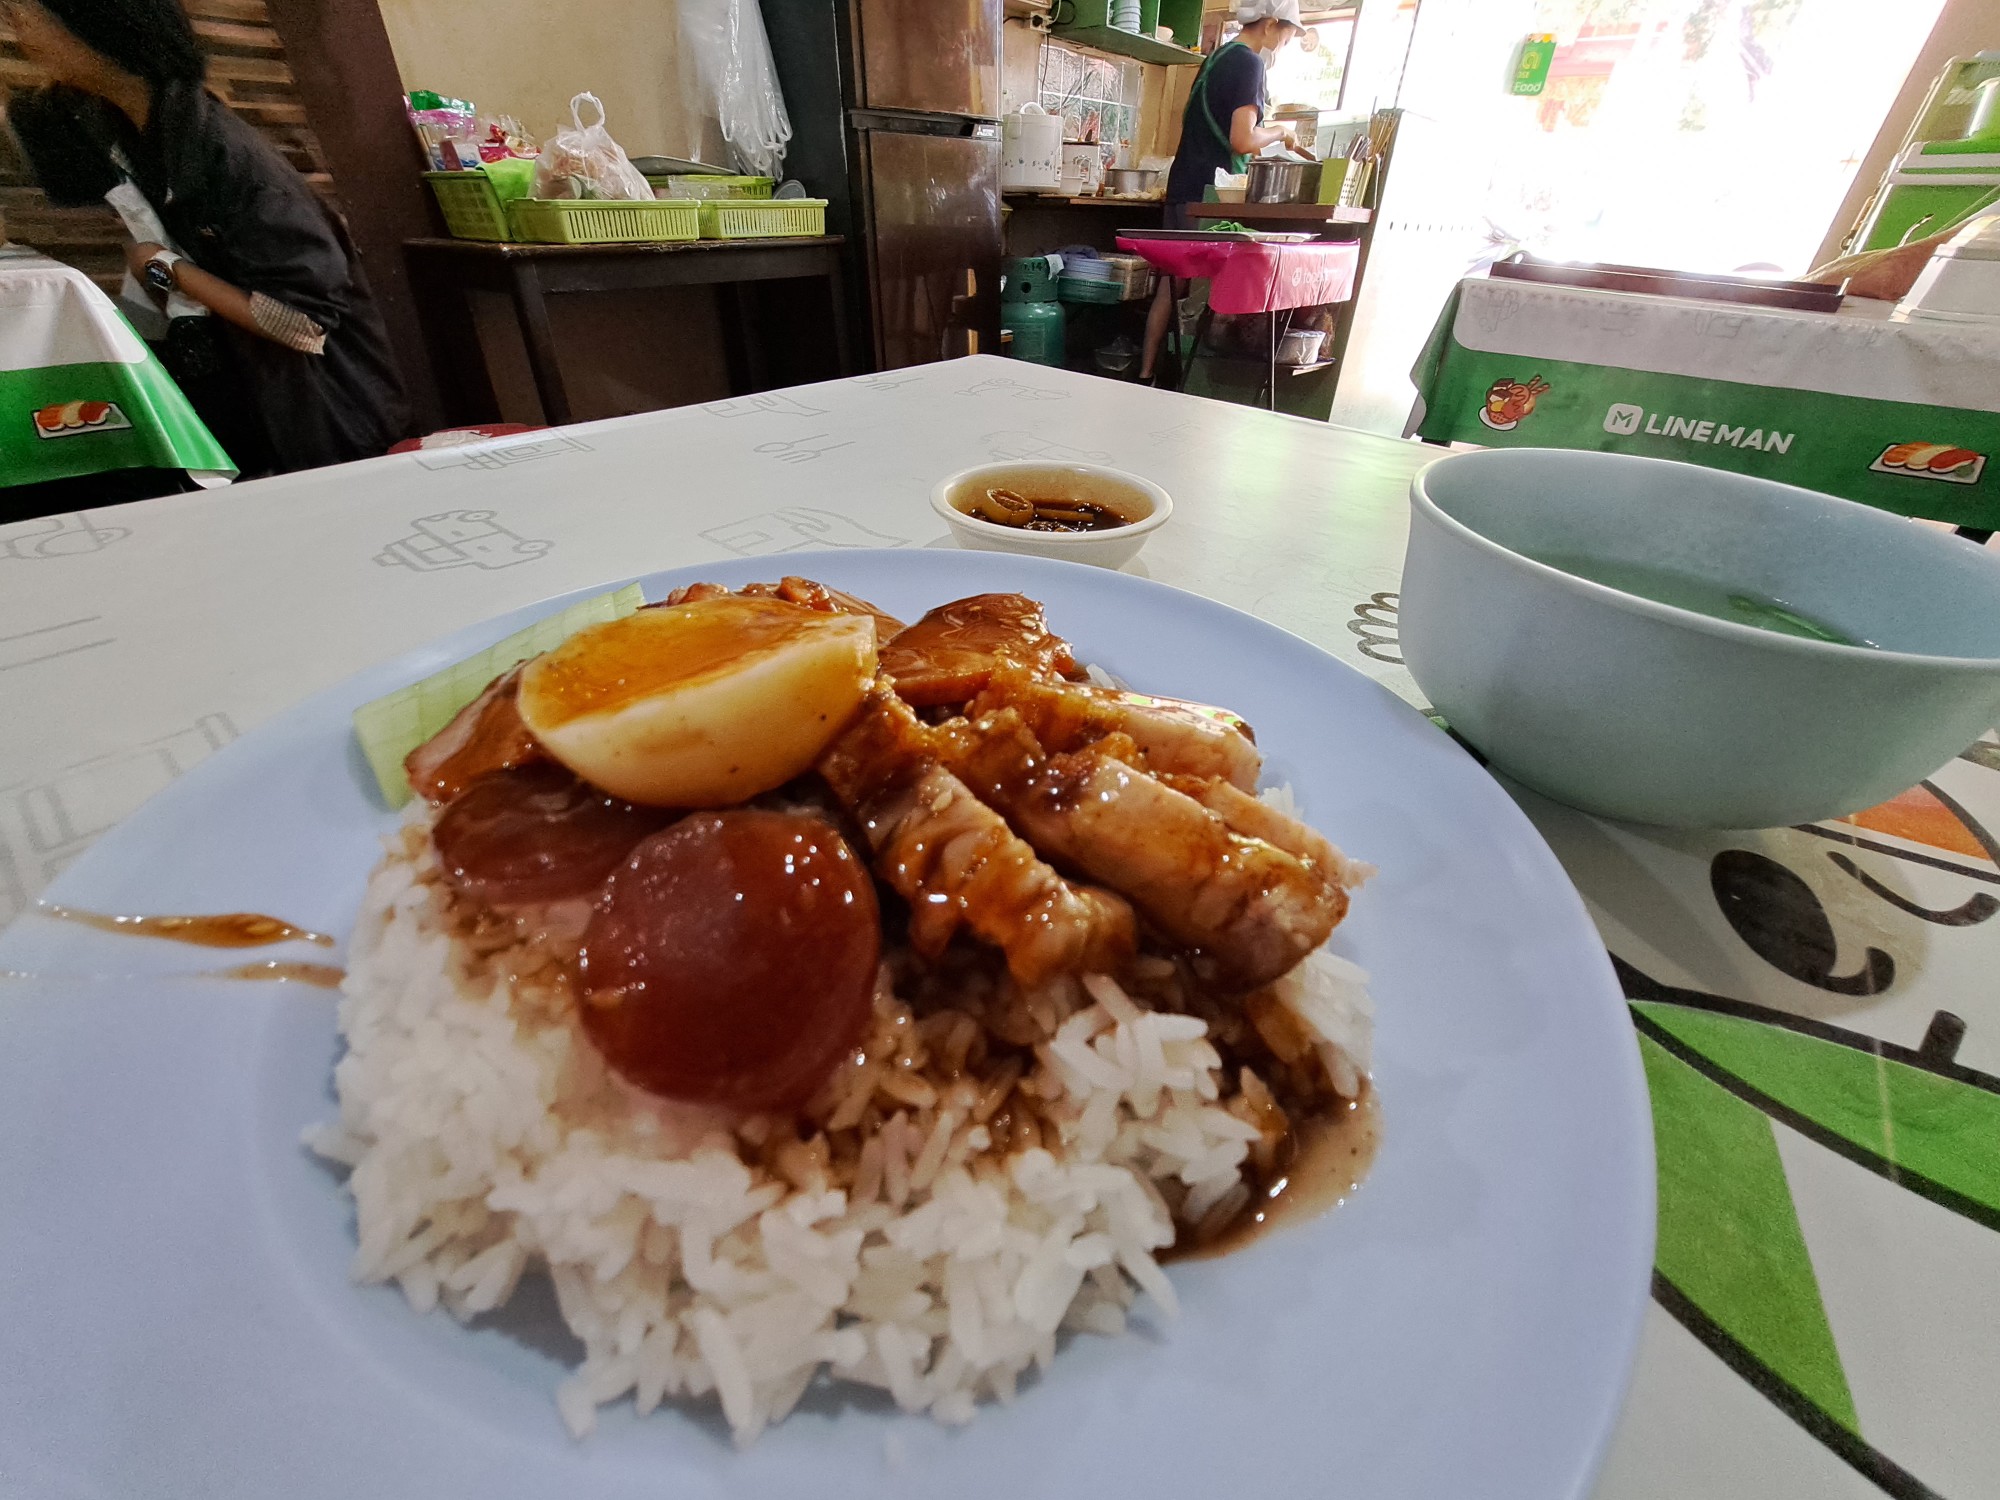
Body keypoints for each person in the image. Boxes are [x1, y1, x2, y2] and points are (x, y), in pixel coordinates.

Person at [2, 0, 410, 475]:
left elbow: (301, 324)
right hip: (247, 394)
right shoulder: (129, 128)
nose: (21, 33)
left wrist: (165, 267)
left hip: (323, 421)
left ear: (97, 34)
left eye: (29, 18)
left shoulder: (229, 157)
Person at [1140, 0, 1306, 384]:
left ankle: (1147, 375)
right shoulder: (1249, 63)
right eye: (1286, 35)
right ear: (1269, 25)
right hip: (1213, 193)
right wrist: (1282, 131)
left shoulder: (1216, 59)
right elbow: (1243, 139)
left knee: (1172, 283)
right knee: (1206, 292)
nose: (1284, 44)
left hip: (1184, 187)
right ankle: (1197, 384)